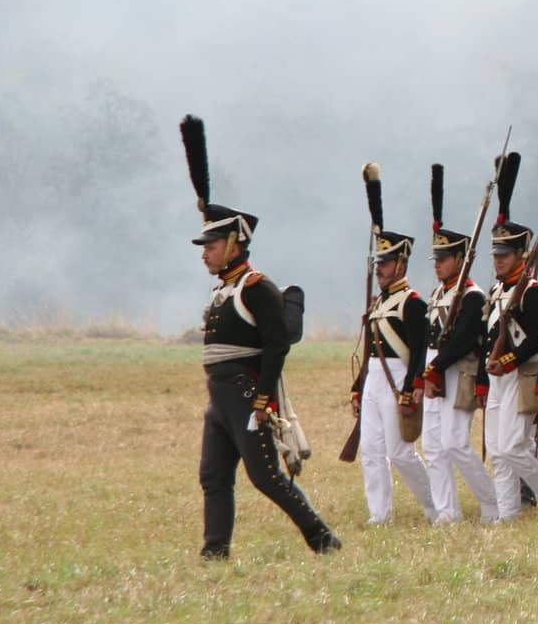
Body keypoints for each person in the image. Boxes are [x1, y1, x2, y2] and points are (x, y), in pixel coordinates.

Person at [193, 202, 339, 556]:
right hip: (221, 397)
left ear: (233, 245)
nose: (205, 255)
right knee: (213, 476)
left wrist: (262, 399)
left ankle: (322, 539)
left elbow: (276, 347)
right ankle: (215, 551)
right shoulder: (223, 290)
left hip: (245, 396)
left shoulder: (256, 288)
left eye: (211, 247)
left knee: (267, 478)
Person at [421, 194, 500, 524]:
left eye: (443, 258)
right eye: (435, 258)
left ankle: (492, 502)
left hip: (458, 371)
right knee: (433, 447)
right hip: (434, 371)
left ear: (460, 259)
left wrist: (435, 366)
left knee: (455, 443)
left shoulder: (472, 296)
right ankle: (446, 511)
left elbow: (466, 338)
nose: (437, 264)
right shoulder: (439, 293)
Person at [355, 227, 437, 524]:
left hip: (397, 377)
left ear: (401, 264)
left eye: (386, 263)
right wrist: (357, 387)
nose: (380, 269)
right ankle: (379, 514)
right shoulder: (378, 302)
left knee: (400, 451)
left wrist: (411, 385)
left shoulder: (412, 303)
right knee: (371, 452)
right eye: (378, 263)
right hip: (374, 379)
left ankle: (434, 506)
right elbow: (368, 350)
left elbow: (418, 351)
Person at [482, 208, 538, 521]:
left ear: (522, 254)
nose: (499, 260)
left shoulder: (534, 291)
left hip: (520, 374)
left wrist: (508, 360)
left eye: (506, 255)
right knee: (497, 451)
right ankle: (508, 512)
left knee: (513, 447)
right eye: (497, 254)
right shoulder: (497, 290)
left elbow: (535, 338)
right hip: (497, 375)